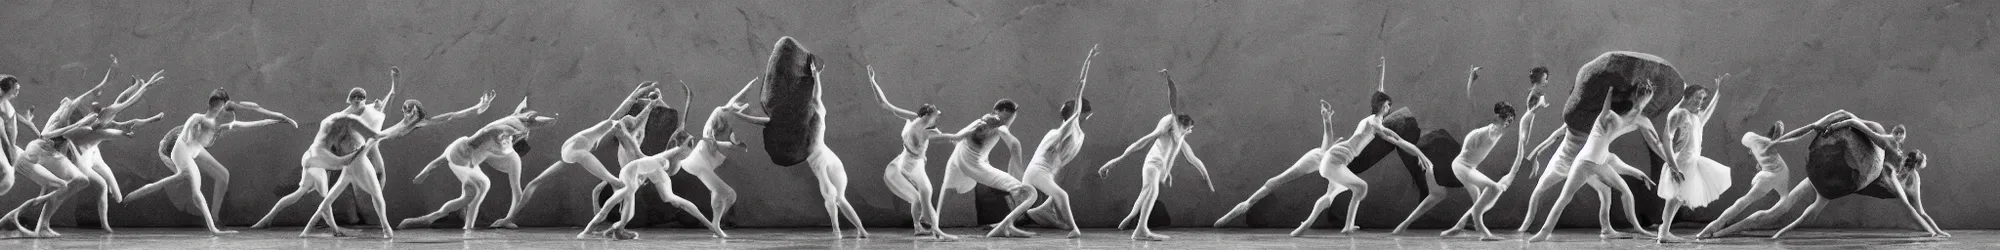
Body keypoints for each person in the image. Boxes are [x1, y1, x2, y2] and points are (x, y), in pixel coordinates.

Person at [725, 37, 868, 238]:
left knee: (839, 197)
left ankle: (858, 229)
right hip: (822, 159)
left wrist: (816, 75)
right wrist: (739, 115)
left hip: (825, 158)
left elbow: (816, 95)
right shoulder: (799, 119)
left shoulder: (815, 111)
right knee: (833, 197)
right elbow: (767, 121)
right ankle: (839, 229)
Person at [495, 81, 670, 228]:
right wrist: (639, 95)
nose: (627, 123)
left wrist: (649, 101)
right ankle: (611, 200)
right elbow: (624, 113)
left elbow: (636, 119)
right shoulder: (611, 125)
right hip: (573, 151)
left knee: (537, 182)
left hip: (570, 153)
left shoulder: (617, 130)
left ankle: (509, 219)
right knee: (609, 177)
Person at [126, 88, 300, 235]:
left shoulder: (221, 126)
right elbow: (188, 129)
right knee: (190, 183)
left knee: (221, 174)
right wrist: (187, 138)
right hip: (176, 146)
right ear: (220, 106)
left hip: (192, 147)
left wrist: (281, 119)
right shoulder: (199, 119)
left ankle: (215, 219)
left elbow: (255, 122)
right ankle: (213, 228)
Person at [1527, 79, 1678, 242]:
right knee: (1565, 197)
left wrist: (1671, 163)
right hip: (1585, 162)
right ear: (1634, 96)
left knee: (1625, 191)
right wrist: (1610, 90)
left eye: (1647, 95)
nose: (1644, 99)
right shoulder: (1611, 115)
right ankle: (1544, 232)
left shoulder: (1641, 120)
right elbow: (1607, 109)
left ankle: (1631, 229)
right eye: (1642, 95)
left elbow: (1655, 143)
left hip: (1601, 162)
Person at [397, 96, 555, 235]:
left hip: (467, 157)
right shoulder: (496, 135)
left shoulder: (509, 153)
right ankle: (453, 220)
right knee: (480, 185)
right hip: (464, 155)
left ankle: (463, 223)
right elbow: (500, 126)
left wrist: (509, 218)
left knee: (474, 191)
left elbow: (517, 191)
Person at [580, 97, 730, 240]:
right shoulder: (630, 146)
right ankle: (616, 229)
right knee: (630, 209)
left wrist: (651, 104)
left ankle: (616, 229)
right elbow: (642, 152)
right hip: (641, 170)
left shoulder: (633, 142)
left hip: (643, 168)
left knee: (647, 203)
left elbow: (644, 153)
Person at [1096, 69, 1219, 241]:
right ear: (1181, 125)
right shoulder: (1169, 129)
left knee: (1147, 191)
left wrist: (1207, 178)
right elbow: (1171, 106)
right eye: (1188, 129)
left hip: (1158, 167)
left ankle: (1133, 217)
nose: (1188, 132)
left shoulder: (1179, 139)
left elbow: (1193, 159)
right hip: (1152, 165)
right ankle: (1140, 230)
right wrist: (1169, 81)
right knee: (1151, 191)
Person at [1006, 46, 1098, 239]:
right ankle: (1074, 229)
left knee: (1056, 190)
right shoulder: (1066, 129)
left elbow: (1059, 164)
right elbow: (1080, 87)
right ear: (1077, 113)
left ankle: (1040, 211)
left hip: (1045, 172)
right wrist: (1087, 62)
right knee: (1062, 196)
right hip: (1037, 172)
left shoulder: (1078, 134)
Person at [862, 66, 956, 238]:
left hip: (908, 163)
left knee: (919, 197)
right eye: (937, 115)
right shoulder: (918, 122)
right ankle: (935, 228)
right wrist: (873, 81)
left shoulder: (927, 127)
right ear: (928, 114)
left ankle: (919, 226)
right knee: (925, 192)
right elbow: (885, 104)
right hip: (909, 165)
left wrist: (955, 139)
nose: (938, 117)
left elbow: (946, 137)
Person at [928, 99, 1034, 239]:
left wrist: (978, 152)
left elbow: (956, 139)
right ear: (997, 112)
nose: (1007, 121)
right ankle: (1007, 225)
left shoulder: (980, 122)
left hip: (959, 157)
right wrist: (1016, 172)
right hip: (971, 162)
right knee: (1024, 191)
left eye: (1011, 118)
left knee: (947, 188)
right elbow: (1015, 146)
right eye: (1006, 117)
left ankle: (935, 228)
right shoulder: (998, 127)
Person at [1653, 74, 1733, 242]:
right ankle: (1664, 232)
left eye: (1702, 99)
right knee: (1674, 196)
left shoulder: (1691, 114)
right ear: (1687, 96)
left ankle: (1664, 230)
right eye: (1697, 98)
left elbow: (1704, 118)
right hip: (1682, 160)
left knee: (1679, 198)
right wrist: (1673, 166)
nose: (1699, 102)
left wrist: (1717, 94)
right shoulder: (1679, 113)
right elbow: (1666, 138)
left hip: (1692, 160)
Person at [1693, 121, 1794, 238]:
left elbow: (1747, 139)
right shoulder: (1766, 143)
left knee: (1744, 201)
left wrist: (1756, 147)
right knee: (1745, 201)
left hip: (1768, 176)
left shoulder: (1757, 142)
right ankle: (1717, 228)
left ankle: (1718, 228)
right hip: (1772, 176)